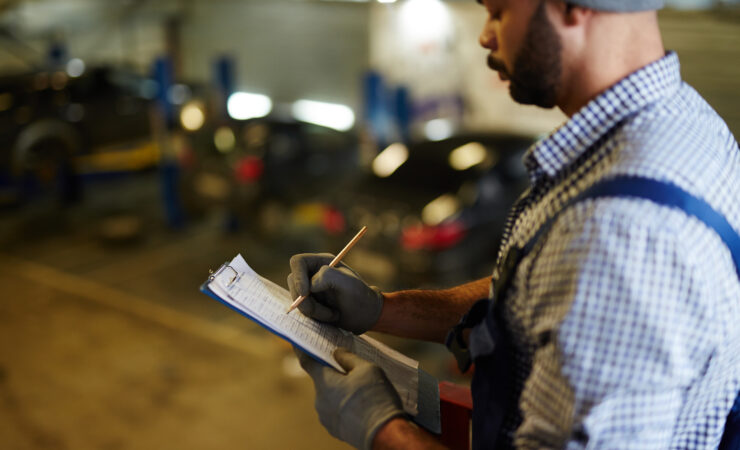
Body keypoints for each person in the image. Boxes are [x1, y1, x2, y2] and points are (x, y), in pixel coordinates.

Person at [288, 0, 740, 448]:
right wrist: (384, 309)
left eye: (498, 11)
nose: (485, 35)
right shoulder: (687, 123)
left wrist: (382, 429)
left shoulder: (621, 230)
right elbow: (542, 295)